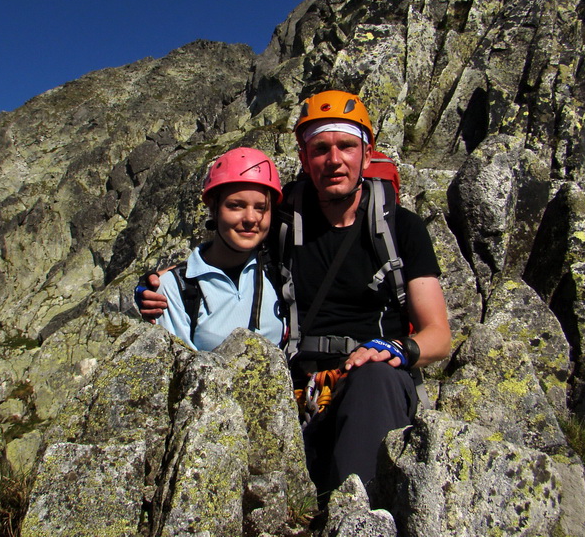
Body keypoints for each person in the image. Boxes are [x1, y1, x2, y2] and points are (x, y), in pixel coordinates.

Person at [139, 90, 451, 499]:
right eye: (320, 148)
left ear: (366, 152)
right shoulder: (284, 223)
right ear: (305, 158)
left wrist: (395, 350)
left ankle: (355, 515)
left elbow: (438, 336)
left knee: (372, 382)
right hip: (299, 390)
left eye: (347, 146)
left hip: (377, 380)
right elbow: (231, 250)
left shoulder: (400, 228)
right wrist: (162, 284)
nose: (334, 159)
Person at [154, 147, 285, 351]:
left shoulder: (279, 270)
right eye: (236, 206)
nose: (250, 218)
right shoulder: (175, 289)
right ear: (214, 210)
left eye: (261, 208)